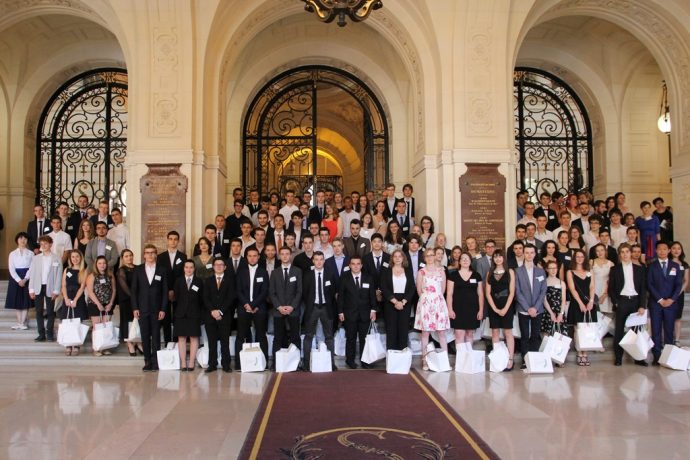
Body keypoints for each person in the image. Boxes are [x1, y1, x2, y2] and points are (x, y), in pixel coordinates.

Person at [609, 243, 647, 366]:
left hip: (636, 302)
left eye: (627, 251)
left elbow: (643, 289)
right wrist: (616, 302)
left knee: (636, 331)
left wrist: (642, 305)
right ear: (620, 255)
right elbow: (611, 289)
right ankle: (618, 357)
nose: (625, 254)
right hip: (622, 302)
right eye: (622, 252)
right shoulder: (615, 269)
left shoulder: (640, 269)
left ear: (631, 253)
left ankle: (638, 358)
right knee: (619, 331)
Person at [131, 244, 168, 371]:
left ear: (156, 254)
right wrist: (135, 308)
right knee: (145, 336)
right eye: (148, 252)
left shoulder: (162, 270)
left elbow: (165, 291)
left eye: (153, 252)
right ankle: (147, 361)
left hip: (157, 310)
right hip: (142, 309)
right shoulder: (138, 270)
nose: (150, 255)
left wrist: (163, 309)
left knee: (156, 337)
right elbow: (134, 290)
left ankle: (156, 361)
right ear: (144, 255)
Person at [647, 241, 684, 365]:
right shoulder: (651, 266)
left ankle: (669, 357)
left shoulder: (676, 265)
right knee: (656, 331)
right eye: (659, 249)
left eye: (664, 249)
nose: (662, 251)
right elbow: (649, 284)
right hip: (656, 303)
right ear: (656, 251)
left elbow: (679, 285)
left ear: (668, 251)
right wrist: (660, 300)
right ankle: (657, 357)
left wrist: (671, 299)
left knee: (669, 331)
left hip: (671, 304)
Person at [414, 248, 451, 371]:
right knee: (425, 333)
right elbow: (419, 290)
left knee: (441, 333)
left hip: (438, 303)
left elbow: (443, 289)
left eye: (432, 255)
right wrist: (427, 299)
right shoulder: (421, 272)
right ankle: (425, 360)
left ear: (435, 256)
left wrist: (436, 299)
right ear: (424, 258)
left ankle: (445, 360)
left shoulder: (441, 271)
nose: (430, 257)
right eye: (427, 255)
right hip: (426, 303)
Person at [338, 255, 378, 368]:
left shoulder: (368, 277)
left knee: (364, 338)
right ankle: (349, 360)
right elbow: (340, 297)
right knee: (350, 338)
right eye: (353, 264)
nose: (355, 266)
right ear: (350, 265)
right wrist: (340, 312)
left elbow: (372, 296)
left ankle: (365, 361)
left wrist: (373, 310)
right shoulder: (344, 278)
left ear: (361, 265)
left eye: (358, 264)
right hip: (349, 314)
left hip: (365, 314)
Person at [301, 251, 338, 371]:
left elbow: (333, 292)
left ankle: (331, 363)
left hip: (327, 308)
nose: (318, 262)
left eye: (321, 259)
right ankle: (306, 364)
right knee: (308, 336)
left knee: (329, 337)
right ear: (313, 261)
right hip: (313, 308)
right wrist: (311, 303)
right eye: (316, 259)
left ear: (324, 261)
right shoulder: (307, 275)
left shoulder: (330, 274)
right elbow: (305, 293)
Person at [235, 247, 270, 369]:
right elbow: (238, 290)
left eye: (255, 255)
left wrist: (254, 305)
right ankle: (239, 364)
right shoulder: (241, 272)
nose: (252, 258)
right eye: (250, 256)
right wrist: (247, 305)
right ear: (246, 257)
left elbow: (264, 291)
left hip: (259, 308)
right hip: (244, 307)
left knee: (261, 335)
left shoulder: (263, 272)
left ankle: (264, 362)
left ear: (259, 257)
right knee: (241, 335)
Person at [269, 247, 303, 369]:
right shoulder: (275, 272)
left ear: (290, 256)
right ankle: (275, 363)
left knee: (295, 337)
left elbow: (299, 291)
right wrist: (279, 307)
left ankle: (297, 362)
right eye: (282, 254)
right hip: (279, 311)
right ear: (279, 256)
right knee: (278, 337)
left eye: (287, 254)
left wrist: (292, 306)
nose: (284, 256)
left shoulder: (297, 271)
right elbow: (272, 292)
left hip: (293, 310)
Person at [514, 244, 547, 368]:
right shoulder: (517, 271)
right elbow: (517, 291)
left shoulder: (540, 271)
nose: (529, 255)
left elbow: (543, 291)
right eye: (526, 252)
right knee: (524, 335)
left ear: (534, 254)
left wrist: (535, 307)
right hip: (523, 309)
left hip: (538, 309)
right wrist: (528, 308)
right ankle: (525, 360)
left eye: (531, 252)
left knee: (535, 335)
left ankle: (534, 359)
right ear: (523, 254)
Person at [202, 258, 235, 373]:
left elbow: (231, 298)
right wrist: (213, 311)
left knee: (225, 341)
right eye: (216, 265)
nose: (219, 267)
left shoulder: (230, 280)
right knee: (212, 342)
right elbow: (205, 298)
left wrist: (220, 311)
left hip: (224, 316)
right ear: (213, 267)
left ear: (225, 267)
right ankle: (212, 364)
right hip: (210, 316)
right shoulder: (208, 280)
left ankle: (226, 364)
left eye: (221, 265)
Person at [485, 249, 516, 371]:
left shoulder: (510, 272)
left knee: (508, 333)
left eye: (500, 256)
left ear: (504, 258)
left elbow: (512, 292)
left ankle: (510, 359)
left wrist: (505, 308)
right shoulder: (490, 272)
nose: (498, 259)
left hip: (507, 305)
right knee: (495, 333)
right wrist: (495, 309)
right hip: (494, 306)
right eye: (495, 257)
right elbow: (487, 293)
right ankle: (498, 359)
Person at [28, 235, 62, 342]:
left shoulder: (56, 258)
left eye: (45, 243)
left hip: (50, 287)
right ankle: (41, 333)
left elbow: (58, 275)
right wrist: (31, 289)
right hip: (38, 286)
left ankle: (50, 333)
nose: (43, 246)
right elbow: (32, 273)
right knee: (39, 311)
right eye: (41, 244)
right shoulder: (36, 258)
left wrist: (56, 290)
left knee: (51, 311)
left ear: (50, 244)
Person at [380, 249, 415, 350]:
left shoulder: (408, 270)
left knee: (403, 330)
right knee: (391, 330)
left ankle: (402, 357)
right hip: (390, 302)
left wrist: (403, 302)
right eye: (395, 256)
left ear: (403, 258)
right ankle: (392, 358)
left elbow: (412, 287)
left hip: (405, 302)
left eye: (400, 256)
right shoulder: (387, 270)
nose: (397, 258)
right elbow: (384, 287)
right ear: (392, 258)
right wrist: (395, 301)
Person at [566, 249, 596, 366]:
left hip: (589, 302)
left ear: (585, 258)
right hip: (576, 303)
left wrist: (591, 301)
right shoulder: (570, 272)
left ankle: (586, 353)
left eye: (581, 256)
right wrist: (580, 303)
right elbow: (572, 289)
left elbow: (592, 287)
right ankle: (579, 353)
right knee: (578, 329)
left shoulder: (589, 271)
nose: (579, 258)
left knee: (587, 328)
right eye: (577, 256)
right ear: (574, 258)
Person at [447, 252, 484, 344]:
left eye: (467, 258)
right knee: (459, 334)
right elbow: (449, 294)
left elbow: (480, 294)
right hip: (457, 309)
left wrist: (481, 310)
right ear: (459, 261)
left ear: (471, 261)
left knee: (469, 334)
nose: (465, 260)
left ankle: (469, 357)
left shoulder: (476, 275)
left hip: (472, 309)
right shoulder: (453, 275)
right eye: (462, 258)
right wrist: (450, 309)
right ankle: (461, 357)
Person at [157, 231, 186, 344]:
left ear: (178, 241)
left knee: (178, 316)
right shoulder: (160, 257)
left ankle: (177, 340)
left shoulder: (183, 256)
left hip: (178, 292)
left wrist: (174, 290)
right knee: (166, 317)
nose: (173, 241)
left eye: (175, 239)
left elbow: (183, 275)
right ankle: (168, 341)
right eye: (171, 239)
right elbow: (160, 275)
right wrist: (168, 290)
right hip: (165, 291)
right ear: (167, 240)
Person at [173, 260, 203, 371]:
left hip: (194, 314)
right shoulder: (178, 281)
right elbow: (176, 298)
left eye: (191, 267)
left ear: (194, 269)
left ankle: (191, 362)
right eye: (186, 267)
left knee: (194, 338)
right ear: (184, 268)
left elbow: (201, 300)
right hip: (180, 314)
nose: (189, 269)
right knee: (181, 338)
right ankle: (183, 363)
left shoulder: (199, 281)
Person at [86, 255, 116, 356]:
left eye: (104, 263)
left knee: (106, 326)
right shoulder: (92, 276)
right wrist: (98, 304)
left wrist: (111, 303)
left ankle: (105, 347)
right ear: (96, 265)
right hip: (95, 304)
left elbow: (114, 290)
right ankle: (96, 348)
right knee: (97, 327)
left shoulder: (110, 275)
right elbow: (90, 292)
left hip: (107, 304)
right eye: (100, 263)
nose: (102, 265)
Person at [60, 249, 88, 355]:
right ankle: (68, 343)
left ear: (80, 258)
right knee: (67, 321)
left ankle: (76, 344)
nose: (75, 259)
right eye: (73, 257)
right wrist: (66, 298)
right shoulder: (66, 270)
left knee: (77, 321)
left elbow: (82, 287)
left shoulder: (83, 271)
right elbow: (63, 285)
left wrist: (75, 300)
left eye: (77, 256)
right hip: (67, 297)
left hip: (78, 298)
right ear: (70, 259)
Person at [7, 232, 34, 330]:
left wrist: (26, 279)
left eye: (25, 239)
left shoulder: (31, 253)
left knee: (25, 300)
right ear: (17, 240)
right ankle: (19, 322)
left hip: (27, 277)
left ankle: (23, 322)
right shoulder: (12, 254)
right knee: (17, 300)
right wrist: (19, 280)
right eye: (21, 238)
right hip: (15, 278)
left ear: (27, 241)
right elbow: (11, 268)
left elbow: (32, 267)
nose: (23, 240)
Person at [117, 249, 140, 355]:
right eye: (126, 256)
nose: (129, 258)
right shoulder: (121, 270)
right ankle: (129, 343)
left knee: (136, 321)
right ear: (122, 258)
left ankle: (137, 341)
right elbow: (124, 287)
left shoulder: (138, 268)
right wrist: (134, 297)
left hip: (137, 299)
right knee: (127, 321)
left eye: (130, 255)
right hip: (126, 299)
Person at [541, 260, 568, 347]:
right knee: (546, 334)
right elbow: (544, 299)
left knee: (559, 334)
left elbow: (563, 299)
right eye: (550, 268)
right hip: (547, 310)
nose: (553, 270)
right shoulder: (544, 282)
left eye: (555, 268)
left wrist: (561, 313)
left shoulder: (561, 282)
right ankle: (546, 356)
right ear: (547, 269)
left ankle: (557, 356)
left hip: (559, 311)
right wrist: (551, 313)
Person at [670, 241, 689, 345]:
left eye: (679, 248)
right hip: (667, 294)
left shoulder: (684, 264)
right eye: (674, 248)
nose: (676, 250)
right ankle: (667, 338)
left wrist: (678, 292)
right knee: (667, 317)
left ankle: (676, 339)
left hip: (678, 295)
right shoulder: (666, 262)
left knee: (677, 317)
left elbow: (686, 280)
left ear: (681, 251)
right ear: (670, 250)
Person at [590, 244, 614, 315]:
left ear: (605, 251)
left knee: (605, 316)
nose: (600, 253)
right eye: (597, 251)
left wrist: (604, 294)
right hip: (594, 290)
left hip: (605, 291)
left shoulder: (611, 264)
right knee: (594, 313)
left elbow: (611, 281)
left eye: (602, 250)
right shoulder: (591, 262)